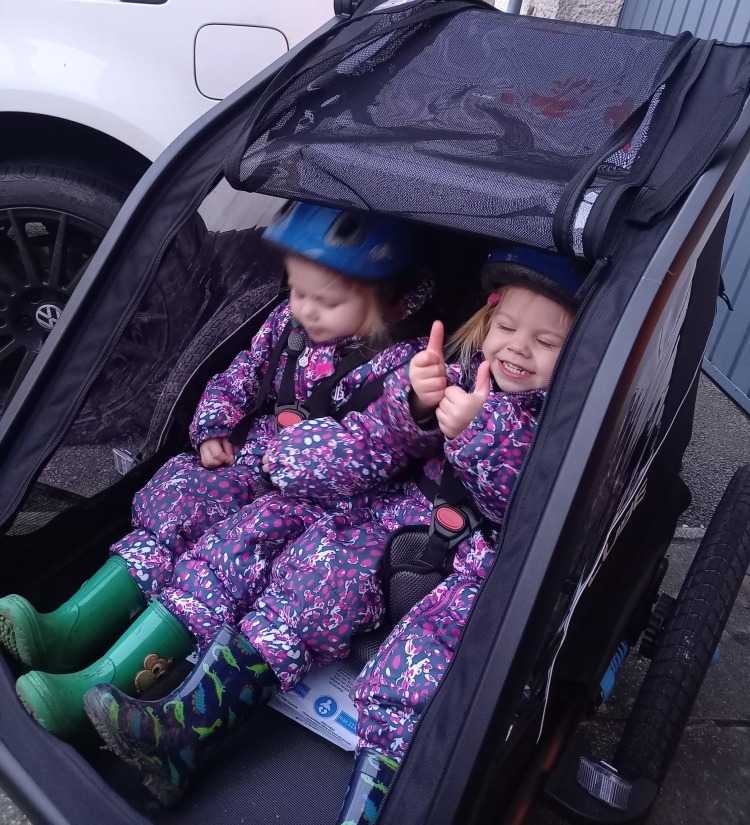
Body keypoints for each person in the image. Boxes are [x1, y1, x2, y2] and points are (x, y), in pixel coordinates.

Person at [79, 245, 583, 813]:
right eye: (508, 327)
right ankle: (186, 730)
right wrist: (417, 405)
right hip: (405, 515)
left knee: (417, 681)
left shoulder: (572, 417)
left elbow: (530, 496)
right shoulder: (460, 370)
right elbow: (379, 443)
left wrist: (475, 431)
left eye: (546, 342)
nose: (518, 347)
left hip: (488, 562)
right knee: (310, 580)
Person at [0, 200, 433, 740]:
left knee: (227, 557)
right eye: (297, 292)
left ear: (386, 301)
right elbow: (245, 372)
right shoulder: (291, 324)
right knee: (181, 495)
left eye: (328, 301)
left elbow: (378, 446)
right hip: (257, 457)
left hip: (328, 501)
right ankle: (70, 627)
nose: (306, 310)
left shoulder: (403, 365)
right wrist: (213, 425)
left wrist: (289, 458)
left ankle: (103, 682)